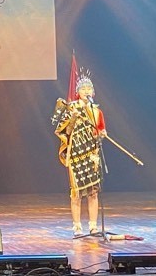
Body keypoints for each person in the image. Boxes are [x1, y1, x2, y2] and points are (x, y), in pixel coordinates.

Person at [52, 71, 107, 237]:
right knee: (76, 193)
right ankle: (76, 226)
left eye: (89, 88)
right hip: (76, 154)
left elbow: (100, 131)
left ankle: (93, 226)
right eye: (83, 89)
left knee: (93, 192)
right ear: (78, 92)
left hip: (92, 154)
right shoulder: (71, 109)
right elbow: (65, 131)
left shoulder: (97, 112)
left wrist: (101, 133)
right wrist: (73, 119)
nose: (86, 91)